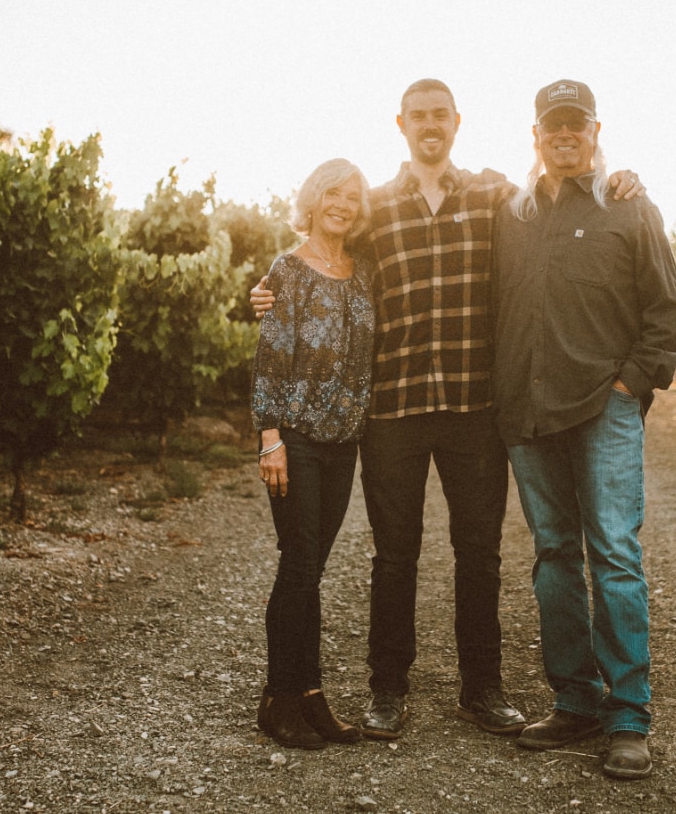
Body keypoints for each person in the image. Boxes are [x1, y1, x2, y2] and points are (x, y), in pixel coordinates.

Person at [250, 79, 644, 741]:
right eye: (419, 117)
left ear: (456, 122)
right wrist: (267, 290)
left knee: (478, 551)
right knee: (393, 554)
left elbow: (561, 191)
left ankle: (481, 687)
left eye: (441, 115)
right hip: (395, 408)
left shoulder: (496, 197)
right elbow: (325, 259)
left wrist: (619, 175)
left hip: (471, 405)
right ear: (400, 124)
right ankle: (388, 687)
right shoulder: (374, 205)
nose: (430, 125)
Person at [492, 79, 676, 781]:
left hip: (601, 406)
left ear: (596, 131)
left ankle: (629, 714)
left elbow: (667, 314)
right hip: (526, 409)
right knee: (552, 556)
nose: (564, 134)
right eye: (553, 125)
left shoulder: (629, 209)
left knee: (612, 552)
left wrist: (628, 385)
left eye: (576, 124)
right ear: (536, 134)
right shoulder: (508, 215)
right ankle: (574, 700)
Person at [251, 158, 377, 749]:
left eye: (353, 196)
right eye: (333, 193)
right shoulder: (287, 269)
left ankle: (310, 696)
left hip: (343, 441)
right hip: (296, 438)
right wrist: (269, 436)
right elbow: (271, 356)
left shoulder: (363, 271)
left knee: (312, 571)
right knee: (299, 563)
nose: (343, 204)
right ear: (313, 198)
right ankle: (278, 699)